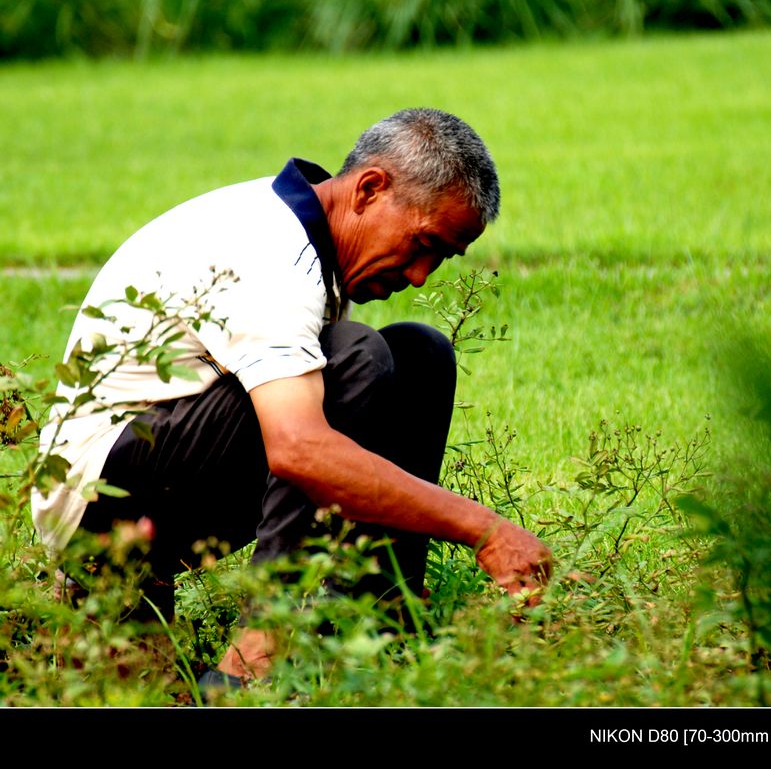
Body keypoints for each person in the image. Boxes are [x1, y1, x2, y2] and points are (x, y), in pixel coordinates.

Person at [33, 107, 553, 686]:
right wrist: (485, 527)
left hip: (164, 459)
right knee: (356, 360)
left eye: (442, 258)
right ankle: (250, 662)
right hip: (98, 500)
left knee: (420, 354)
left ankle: (379, 630)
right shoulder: (275, 249)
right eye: (422, 244)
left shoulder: (309, 238)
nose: (420, 276)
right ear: (370, 189)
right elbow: (297, 449)